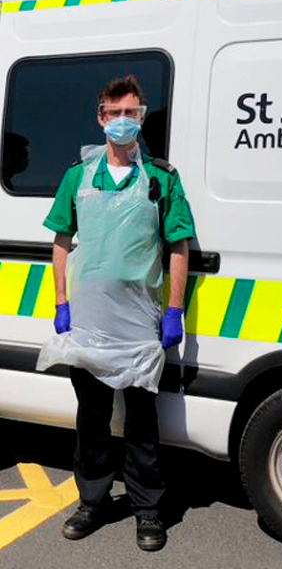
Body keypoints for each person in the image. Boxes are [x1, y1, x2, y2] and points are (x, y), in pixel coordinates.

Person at [40, 75, 195, 551]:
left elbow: (178, 247)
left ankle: (148, 510)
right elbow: (61, 244)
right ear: (100, 117)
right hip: (87, 320)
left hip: (139, 325)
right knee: (92, 418)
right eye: (114, 112)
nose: (123, 121)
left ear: (142, 117)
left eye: (132, 113)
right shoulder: (79, 176)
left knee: (142, 424)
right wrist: (61, 303)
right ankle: (92, 502)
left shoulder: (161, 178)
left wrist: (174, 311)